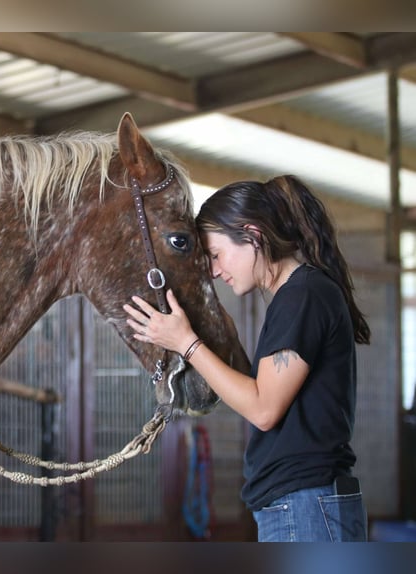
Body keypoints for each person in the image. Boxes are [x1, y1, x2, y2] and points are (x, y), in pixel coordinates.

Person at [124, 175, 370, 542]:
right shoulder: (297, 296)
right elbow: (264, 395)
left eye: (216, 254)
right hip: (301, 504)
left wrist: (187, 342)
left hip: (305, 505)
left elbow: (264, 409)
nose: (213, 269)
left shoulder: (303, 296)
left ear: (252, 235)